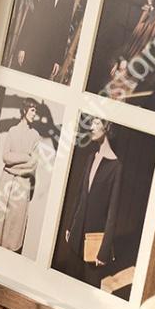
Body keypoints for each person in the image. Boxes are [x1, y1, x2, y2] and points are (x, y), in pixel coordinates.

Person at [65, 117, 122, 287]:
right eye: (92, 123)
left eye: (96, 123)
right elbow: (79, 195)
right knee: (68, 284)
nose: (91, 127)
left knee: (89, 288)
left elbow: (112, 213)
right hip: (76, 236)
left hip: (94, 243)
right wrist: (70, 225)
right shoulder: (91, 157)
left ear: (107, 127)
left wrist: (104, 251)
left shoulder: (115, 166)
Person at [0, 99, 41, 252]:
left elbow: (33, 164)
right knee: (0, 218)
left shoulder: (35, 136)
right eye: (32, 110)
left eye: (36, 111)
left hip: (23, 185)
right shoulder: (12, 131)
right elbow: (6, 157)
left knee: (15, 221)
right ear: (24, 110)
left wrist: (14, 166)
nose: (35, 114)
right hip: (6, 181)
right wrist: (25, 156)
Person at [15, 0, 77, 80]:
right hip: (34, 43)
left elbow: (65, 25)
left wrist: (58, 59)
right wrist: (23, 47)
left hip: (50, 50)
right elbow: (32, 15)